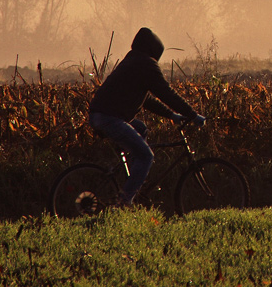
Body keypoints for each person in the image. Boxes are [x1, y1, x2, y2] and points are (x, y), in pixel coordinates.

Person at [88, 27, 205, 206]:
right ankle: (125, 202)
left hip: (101, 115)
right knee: (146, 156)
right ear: (155, 51)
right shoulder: (146, 64)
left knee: (141, 129)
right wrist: (192, 115)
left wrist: (171, 115)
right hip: (110, 118)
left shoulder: (132, 60)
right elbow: (166, 93)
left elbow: (146, 100)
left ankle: (133, 178)